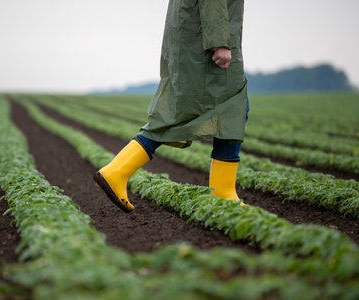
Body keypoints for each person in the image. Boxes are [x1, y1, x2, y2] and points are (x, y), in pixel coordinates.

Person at [94, 0, 248, 212]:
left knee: (183, 113)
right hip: (204, 48)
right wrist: (220, 41)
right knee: (232, 110)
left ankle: (117, 171)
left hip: (190, 41)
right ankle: (223, 193)